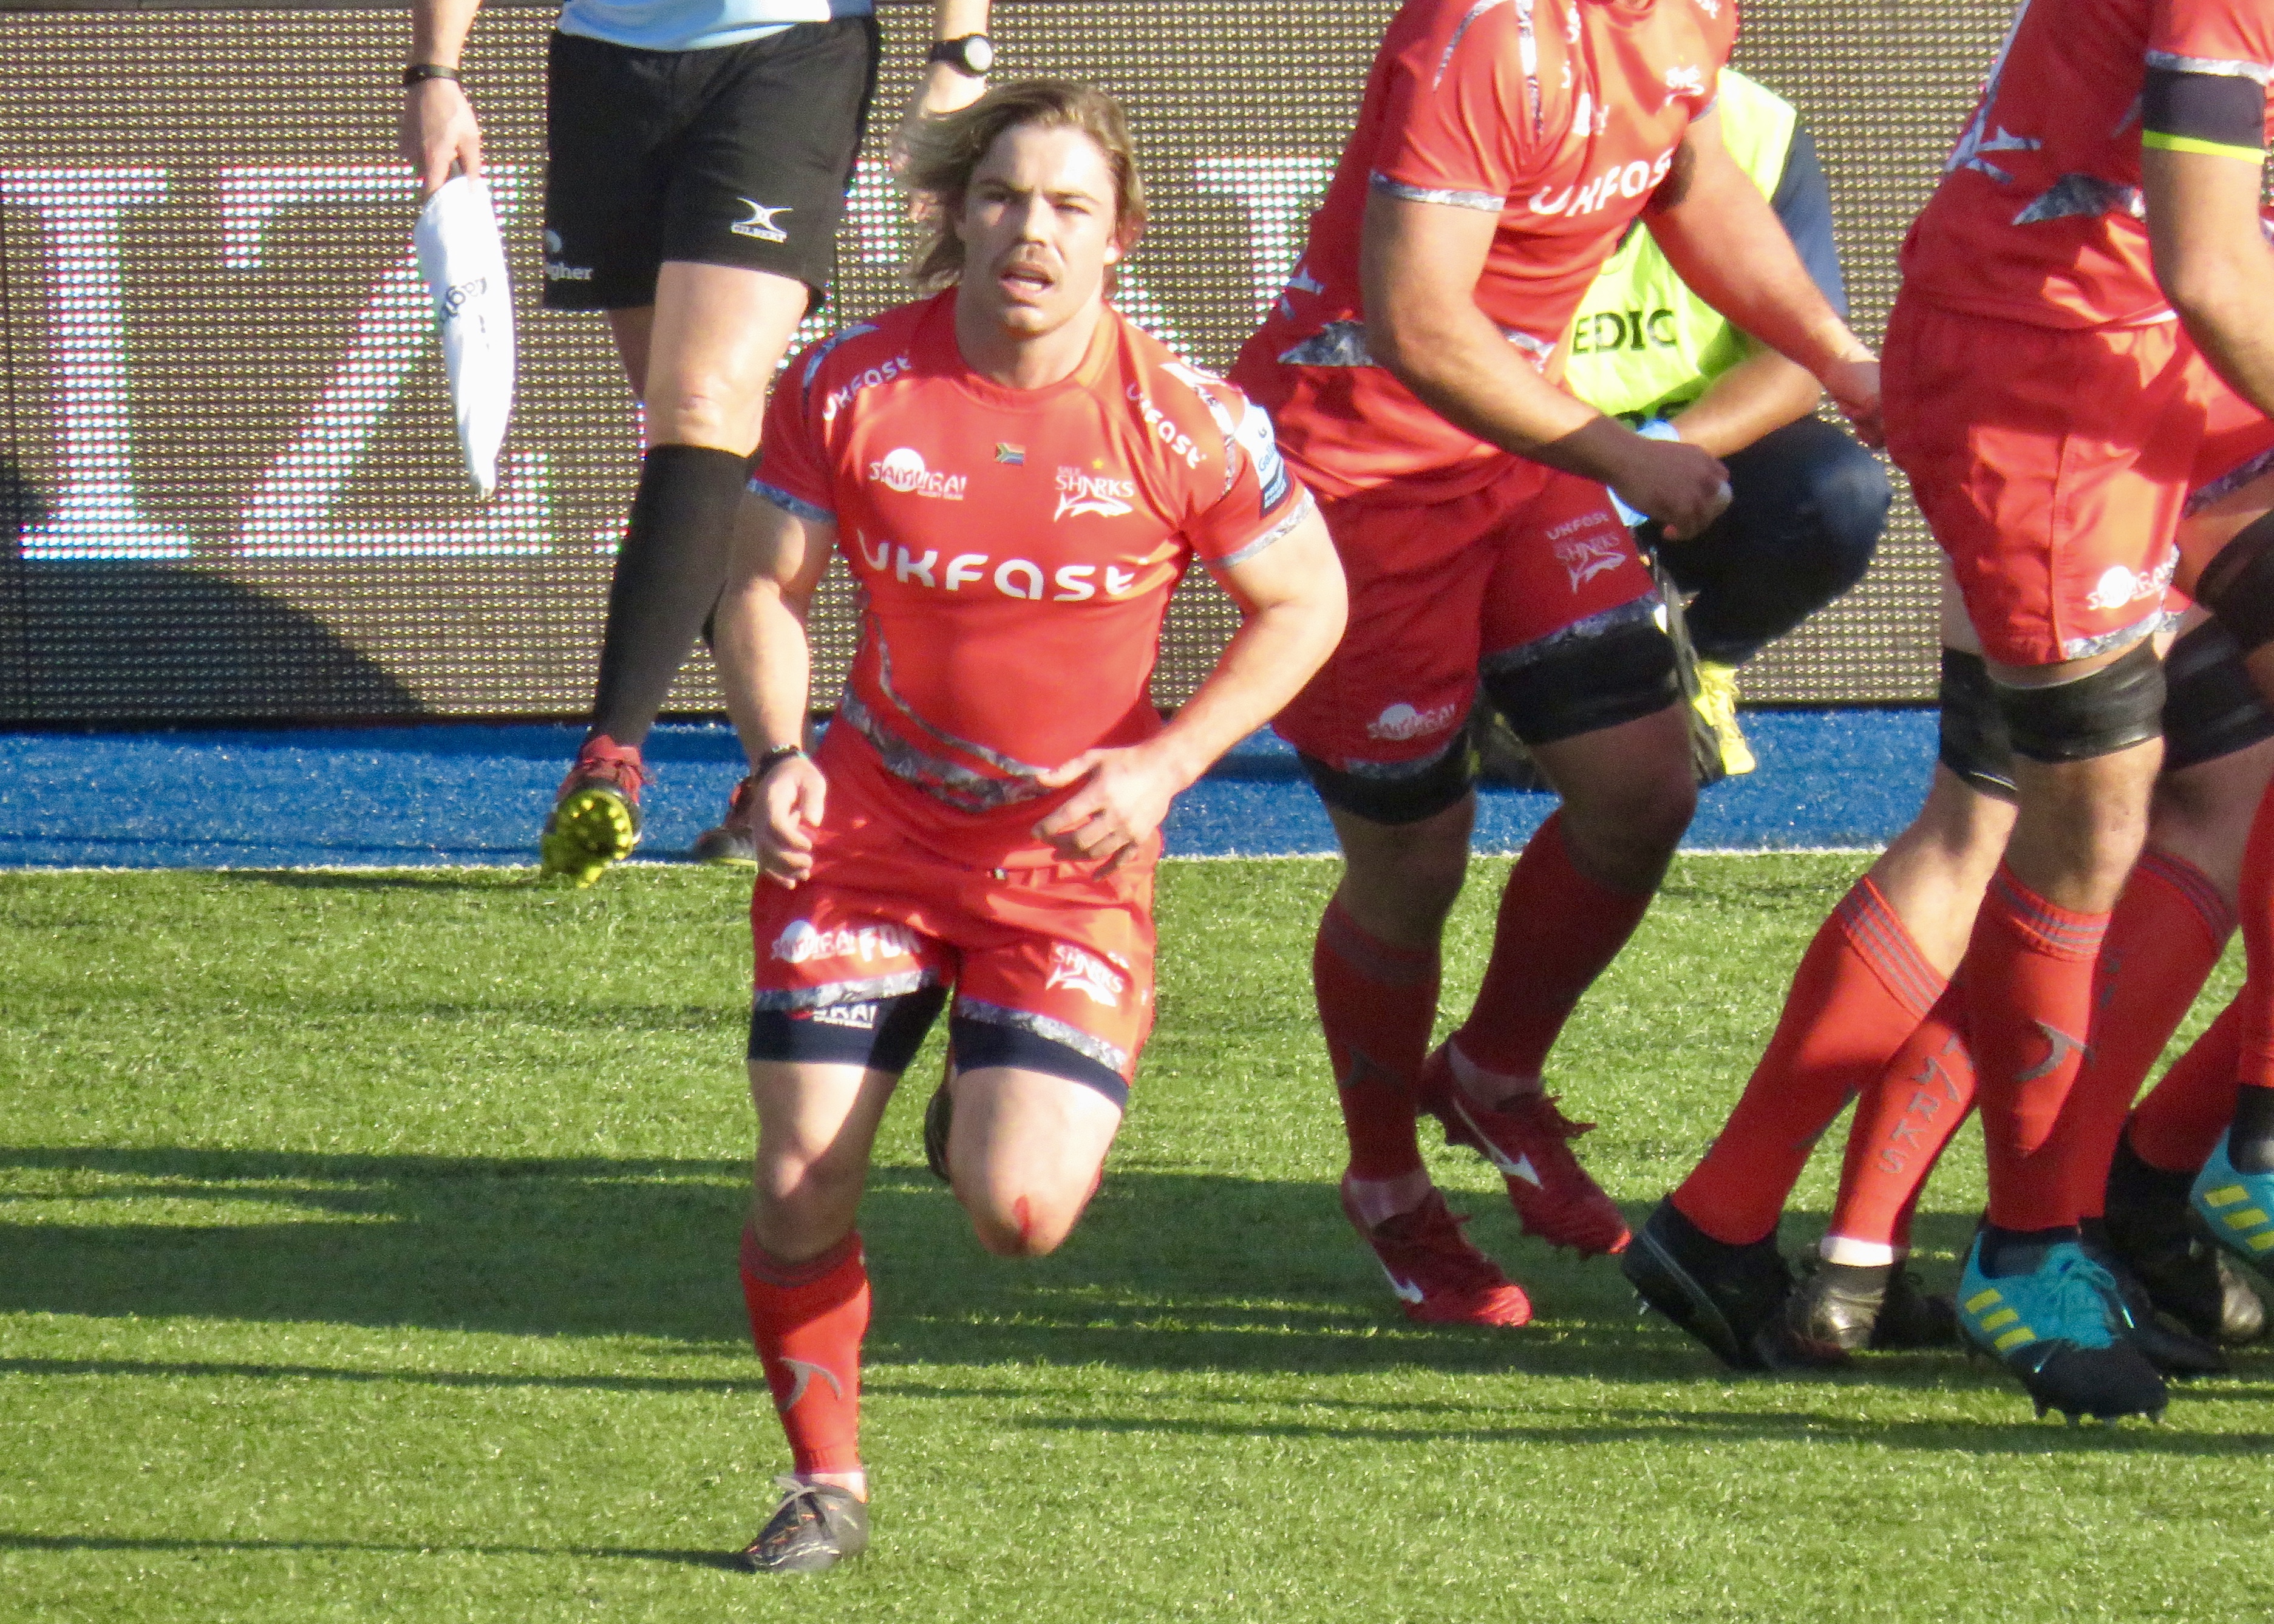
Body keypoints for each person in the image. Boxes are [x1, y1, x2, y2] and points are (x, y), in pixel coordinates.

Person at [708, 80, 1345, 1572]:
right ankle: (825, 1483)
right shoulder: (848, 383)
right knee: (800, 1176)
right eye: (1002, 196)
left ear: (1121, 236)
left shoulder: (1186, 420)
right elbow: (762, 589)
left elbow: (1308, 601)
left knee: (1021, 1215)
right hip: (865, 833)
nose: (1031, 231)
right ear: (955, 213)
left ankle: (978, 1090)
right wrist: (778, 754)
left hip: (1067, 866)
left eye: (1069, 205)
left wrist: (1168, 764)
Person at [1635, 0, 2274, 1421]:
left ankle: (1797, 1222)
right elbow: (2213, 262)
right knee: (2075, 816)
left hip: (2107, 352)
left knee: (2082, 796)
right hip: (2056, 387)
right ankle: (2041, 1237)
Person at [1228, 0, 1881, 1327]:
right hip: (1362, 470)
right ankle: (1385, 1180)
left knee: (1644, 788)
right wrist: (1625, 453)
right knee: (1413, 861)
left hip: (1520, 444)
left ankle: (1491, 1077)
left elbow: (1696, 186)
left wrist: (1841, 359)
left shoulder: (1692, 13)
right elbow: (1417, 320)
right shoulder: (1482, 34)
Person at [400, 0, 995, 886]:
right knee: (701, 443)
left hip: (788, 53)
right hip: (608, 63)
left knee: (699, 405)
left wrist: (957, 54)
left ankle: (610, 753)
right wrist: (434, 71)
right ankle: (788, 770)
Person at [1557, 67, 1888, 777]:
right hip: (1539, 454)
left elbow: (1796, 361)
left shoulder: (1757, 128)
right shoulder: (1501, 101)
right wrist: (1598, 471)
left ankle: (1698, 663)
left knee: (1841, 493)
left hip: (1691, 462)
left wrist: (1655, 458)